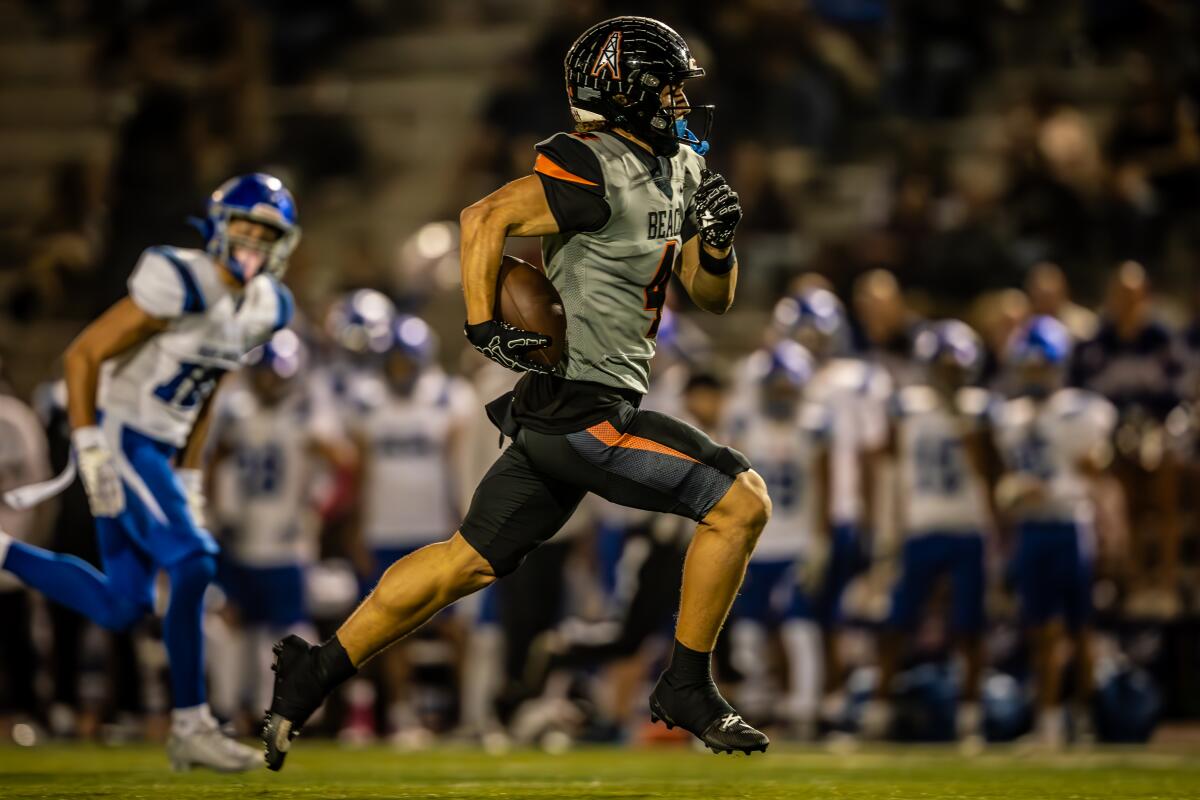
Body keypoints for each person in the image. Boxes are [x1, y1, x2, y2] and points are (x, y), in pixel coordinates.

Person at [263, 16, 772, 769]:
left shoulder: (682, 166)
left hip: (583, 407)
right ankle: (686, 683)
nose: (678, 99)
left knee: (464, 560)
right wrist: (482, 327)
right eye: (665, 85)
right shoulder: (591, 163)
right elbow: (484, 218)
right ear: (626, 91)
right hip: (581, 408)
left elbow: (709, 293)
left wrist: (720, 244)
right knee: (741, 502)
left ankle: (316, 670)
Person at [0, 173, 299, 771]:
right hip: (121, 435)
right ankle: (191, 723)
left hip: (160, 448)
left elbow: (210, 387)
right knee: (194, 560)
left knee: (122, 606)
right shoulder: (181, 278)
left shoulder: (266, 305)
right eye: (244, 225)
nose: (251, 240)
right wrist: (87, 444)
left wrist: (189, 474)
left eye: (266, 231)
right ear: (218, 226)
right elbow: (84, 353)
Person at [206, 329, 351, 729]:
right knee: (235, 629)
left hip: (285, 540)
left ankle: (290, 711)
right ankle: (235, 712)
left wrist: (320, 502)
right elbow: (211, 467)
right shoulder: (242, 412)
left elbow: (343, 463)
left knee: (286, 630)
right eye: (266, 374)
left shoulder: (298, 415)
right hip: (244, 534)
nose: (271, 382)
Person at [860, 321, 996, 747]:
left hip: (967, 526)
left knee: (969, 627)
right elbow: (888, 464)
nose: (949, 375)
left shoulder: (980, 408)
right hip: (920, 526)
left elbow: (991, 472)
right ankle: (878, 713)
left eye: (955, 367)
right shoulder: (908, 406)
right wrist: (887, 529)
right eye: (943, 366)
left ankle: (970, 717)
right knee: (897, 624)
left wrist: (965, 426)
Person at [344, 312, 476, 744]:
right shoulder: (367, 399)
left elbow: (460, 467)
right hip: (386, 529)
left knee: (455, 626)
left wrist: (466, 521)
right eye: (394, 363)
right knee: (390, 627)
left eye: (406, 362)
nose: (400, 371)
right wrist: (360, 528)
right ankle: (401, 714)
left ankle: (469, 713)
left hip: (437, 529)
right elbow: (362, 472)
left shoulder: (447, 396)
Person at [993, 316, 1116, 748]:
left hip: (1069, 525)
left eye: (1041, 365)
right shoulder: (1010, 416)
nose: (1035, 374)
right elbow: (1010, 479)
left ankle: (1083, 721)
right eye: (1028, 366)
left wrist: (1051, 488)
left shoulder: (1082, 411)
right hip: (1032, 530)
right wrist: (1013, 491)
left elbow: (1097, 468)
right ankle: (1048, 722)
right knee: (1040, 630)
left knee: (1080, 629)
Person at [771, 286, 891, 712]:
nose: (810, 344)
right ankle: (807, 701)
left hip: (840, 513)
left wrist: (874, 523)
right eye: (803, 335)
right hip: (794, 519)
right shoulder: (775, 375)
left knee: (837, 617)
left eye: (816, 335)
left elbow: (871, 457)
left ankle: (837, 702)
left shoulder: (853, 381)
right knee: (795, 618)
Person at [726, 341, 830, 738]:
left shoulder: (814, 425)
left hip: (798, 542)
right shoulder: (744, 424)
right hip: (757, 542)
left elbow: (823, 486)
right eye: (778, 387)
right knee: (748, 630)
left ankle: (805, 708)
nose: (784, 395)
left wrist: (821, 540)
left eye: (790, 388)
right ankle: (757, 705)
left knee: (798, 627)